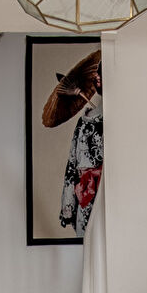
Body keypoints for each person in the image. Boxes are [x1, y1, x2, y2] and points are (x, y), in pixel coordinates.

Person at [46, 50, 103, 235]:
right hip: (89, 194)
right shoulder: (86, 121)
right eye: (97, 74)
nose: (97, 77)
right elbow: (73, 164)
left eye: (101, 74)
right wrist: (69, 204)